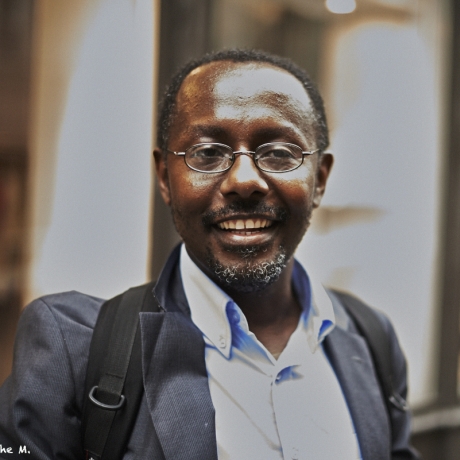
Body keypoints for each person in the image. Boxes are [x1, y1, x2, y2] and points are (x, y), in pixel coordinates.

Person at [0, 49, 418, 459]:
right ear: (165, 177)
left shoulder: (370, 339)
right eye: (207, 153)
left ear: (320, 179)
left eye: (279, 153)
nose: (244, 181)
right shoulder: (74, 346)